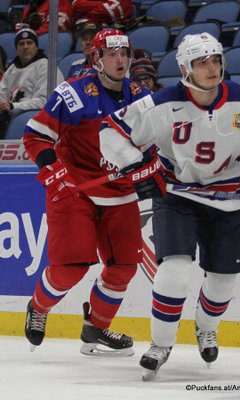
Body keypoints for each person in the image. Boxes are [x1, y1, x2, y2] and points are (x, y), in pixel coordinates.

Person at [99, 32, 240, 379]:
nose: (211, 67)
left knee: (224, 282)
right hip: (177, 196)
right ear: (184, 68)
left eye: (216, 60)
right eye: (202, 62)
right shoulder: (161, 104)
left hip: (228, 199)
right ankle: (160, 344)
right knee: (174, 271)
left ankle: (206, 327)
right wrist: (138, 168)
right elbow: (111, 132)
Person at [23, 29, 151, 355]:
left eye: (125, 53)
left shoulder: (142, 97)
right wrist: (54, 172)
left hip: (119, 192)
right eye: (113, 53)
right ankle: (38, 307)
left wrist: (154, 168)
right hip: (75, 188)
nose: (121, 59)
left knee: (123, 266)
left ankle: (96, 328)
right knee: (70, 267)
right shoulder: (73, 94)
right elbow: (36, 135)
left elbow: (158, 145)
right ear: (97, 58)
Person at [0, 26, 61, 139]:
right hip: (10, 116)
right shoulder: (12, 69)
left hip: (34, 120)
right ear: (16, 48)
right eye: (21, 44)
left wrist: (13, 106)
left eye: (29, 43)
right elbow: (1, 95)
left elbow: (45, 102)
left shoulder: (47, 67)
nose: (25, 47)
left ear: (36, 46)